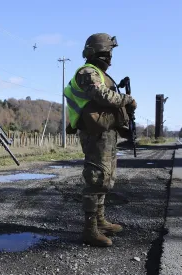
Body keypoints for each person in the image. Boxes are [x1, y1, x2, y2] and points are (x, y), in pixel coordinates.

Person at [63, 33, 137, 247]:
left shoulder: (100, 73)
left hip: (106, 132)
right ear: (97, 52)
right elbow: (102, 96)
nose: (110, 58)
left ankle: (101, 221)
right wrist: (128, 99)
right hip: (94, 133)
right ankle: (90, 229)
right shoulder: (88, 72)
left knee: (106, 177)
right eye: (107, 53)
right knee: (96, 178)